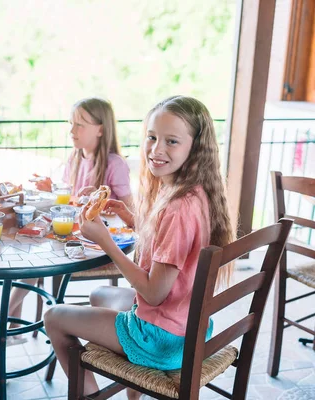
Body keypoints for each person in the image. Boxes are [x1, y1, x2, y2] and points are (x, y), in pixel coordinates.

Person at [43, 95, 235, 399]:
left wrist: (105, 241)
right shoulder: (195, 192)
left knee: (52, 317)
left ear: (194, 148)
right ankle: (136, 390)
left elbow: (153, 292)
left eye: (171, 141)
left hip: (161, 339)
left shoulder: (177, 208)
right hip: (190, 327)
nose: (156, 150)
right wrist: (131, 219)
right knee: (98, 294)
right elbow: (169, 243)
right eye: (152, 137)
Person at [0, 97, 133, 346]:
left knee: (32, 263)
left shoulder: (114, 164)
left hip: (98, 247)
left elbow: (130, 210)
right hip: (71, 239)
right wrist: (52, 189)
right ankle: (10, 325)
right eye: (71, 124)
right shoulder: (75, 160)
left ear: (101, 129)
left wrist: (98, 205)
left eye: (80, 125)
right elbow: (69, 203)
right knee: (26, 253)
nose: (72, 131)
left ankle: (1, 323)